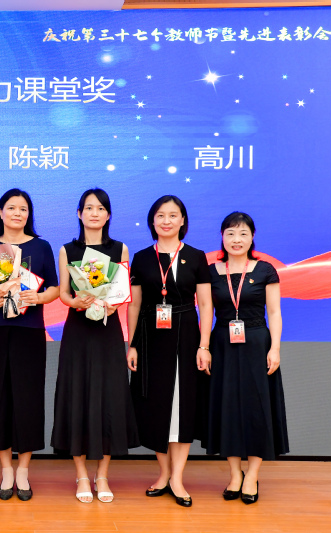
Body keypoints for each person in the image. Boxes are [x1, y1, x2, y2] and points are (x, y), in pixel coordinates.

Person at [51, 189, 139, 504]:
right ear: (79, 214)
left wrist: (113, 304)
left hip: (108, 331)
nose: (94, 213)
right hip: (78, 330)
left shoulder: (120, 248)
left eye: (100, 208)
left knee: (110, 397)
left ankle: (102, 474)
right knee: (77, 394)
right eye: (89, 208)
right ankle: (81, 474)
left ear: (108, 215)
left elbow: (123, 290)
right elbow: (63, 292)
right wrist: (74, 301)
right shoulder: (67, 249)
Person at [126, 195, 212, 508]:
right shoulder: (141, 258)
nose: (166, 221)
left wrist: (204, 345)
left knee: (183, 406)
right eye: (161, 215)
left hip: (187, 336)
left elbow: (206, 305)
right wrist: (132, 344)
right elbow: (134, 305)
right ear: (153, 221)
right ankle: (163, 474)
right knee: (156, 406)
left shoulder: (196, 257)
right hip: (151, 338)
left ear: (183, 220)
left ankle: (178, 478)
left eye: (173, 215)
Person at [0, 188, 59, 501]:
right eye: (11, 208)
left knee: (28, 398)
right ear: (1, 212)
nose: (17, 213)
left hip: (30, 329)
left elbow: (54, 288)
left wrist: (38, 297)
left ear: (28, 214)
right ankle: (6, 469)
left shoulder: (41, 246)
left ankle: (23, 469)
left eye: (23, 209)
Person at [206, 211, 288, 504]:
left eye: (243, 233)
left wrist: (275, 348)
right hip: (222, 344)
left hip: (256, 342)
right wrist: (204, 347)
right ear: (222, 237)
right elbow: (206, 311)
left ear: (252, 237)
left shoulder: (265, 270)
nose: (236, 240)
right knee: (227, 407)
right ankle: (234, 474)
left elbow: (274, 312)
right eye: (230, 233)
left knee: (257, 408)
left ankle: (252, 475)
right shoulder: (211, 271)